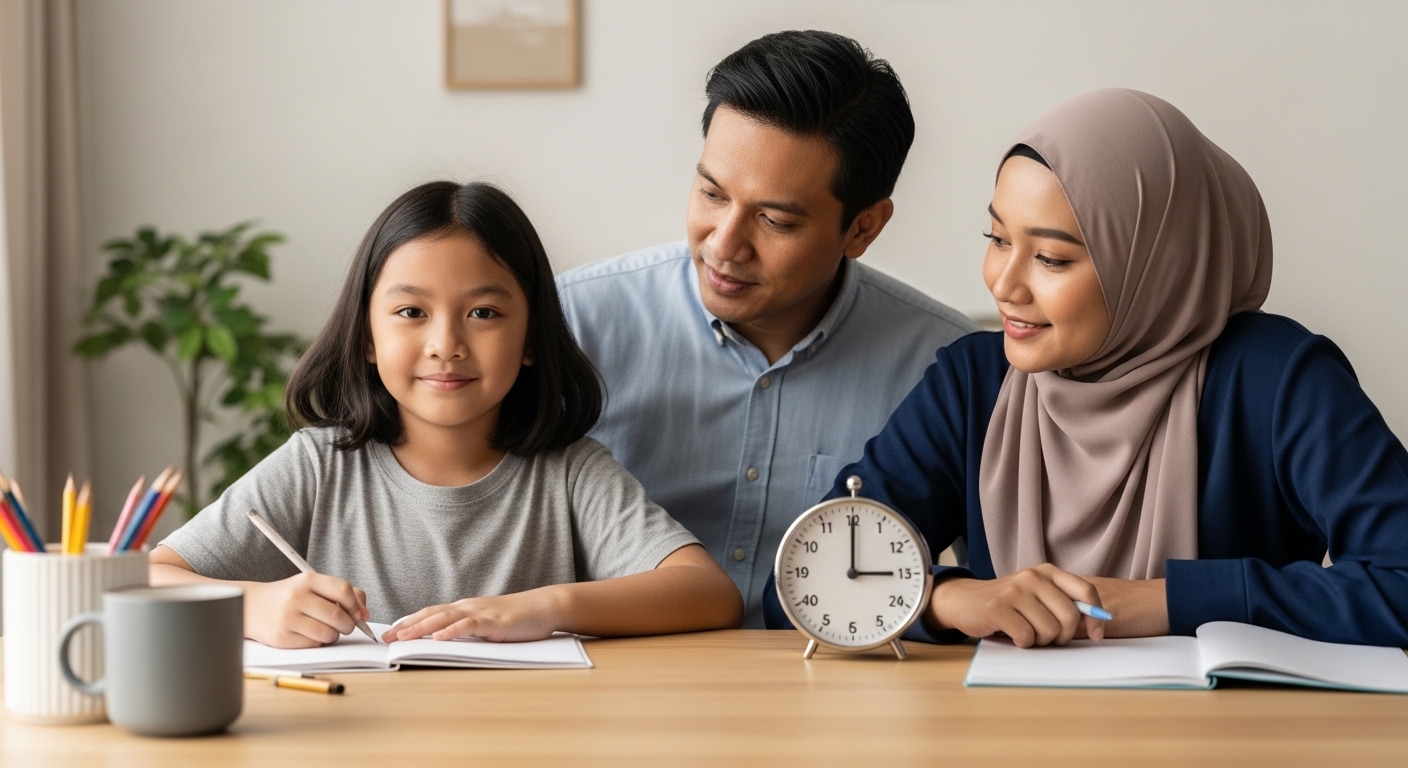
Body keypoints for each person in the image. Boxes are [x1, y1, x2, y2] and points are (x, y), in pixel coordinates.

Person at [766, 88, 1408, 648]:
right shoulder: (973, 384)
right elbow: (800, 583)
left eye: (1051, 258)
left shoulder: (1277, 378)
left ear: (1156, 262)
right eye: (997, 240)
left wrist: (1163, 602)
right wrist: (946, 600)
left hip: (1228, 731)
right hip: (1005, 731)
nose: (1004, 285)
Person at [151, 180, 743, 648]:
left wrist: (545, 607)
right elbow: (151, 577)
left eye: (483, 313)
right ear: (367, 336)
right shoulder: (320, 465)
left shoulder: (569, 471)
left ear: (531, 337)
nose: (446, 345)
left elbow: (707, 593)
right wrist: (253, 606)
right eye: (412, 312)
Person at [557, 31, 977, 626]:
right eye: (711, 193)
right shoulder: (573, 325)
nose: (724, 244)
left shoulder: (944, 370)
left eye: (775, 220)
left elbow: (997, 580)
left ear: (863, 228)